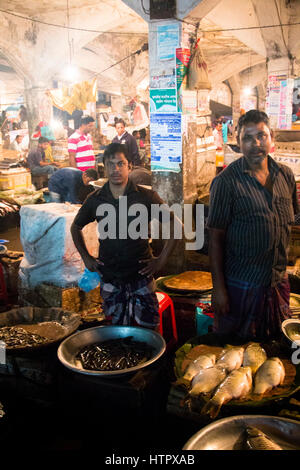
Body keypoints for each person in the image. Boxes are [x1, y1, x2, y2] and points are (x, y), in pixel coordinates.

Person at [207, 109, 299, 342]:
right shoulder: (226, 183)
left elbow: (293, 221)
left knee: (275, 352)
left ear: (272, 138)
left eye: (261, 136)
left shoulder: (286, 176)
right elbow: (215, 238)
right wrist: (218, 289)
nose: (256, 144)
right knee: (236, 352)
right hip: (241, 286)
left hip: (278, 284)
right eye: (247, 138)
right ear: (238, 143)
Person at [71, 142, 178, 329]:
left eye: (120, 163)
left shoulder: (146, 197)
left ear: (129, 166)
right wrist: (86, 257)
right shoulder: (96, 199)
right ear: (104, 167)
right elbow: (75, 227)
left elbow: (175, 226)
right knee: (115, 333)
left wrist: (161, 261)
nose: (116, 169)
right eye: (111, 164)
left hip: (141, 276)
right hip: (110, 277)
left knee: (149, 331)